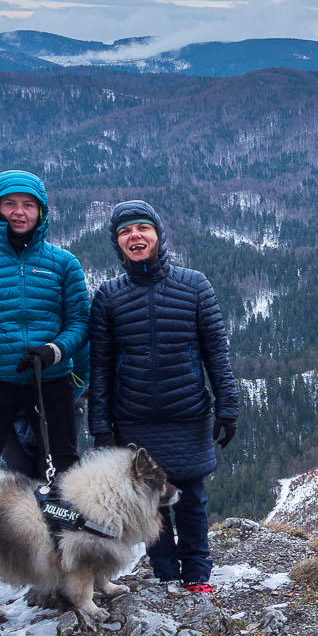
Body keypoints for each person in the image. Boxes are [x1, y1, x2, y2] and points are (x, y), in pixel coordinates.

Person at [87, 201, 239, 594]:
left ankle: (197, 576)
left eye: (142, 228)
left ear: (159, 235)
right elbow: (100, 366)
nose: (134, 236)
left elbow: (216, 353)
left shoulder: (194, 286)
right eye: (125, 232)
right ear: (117, 244)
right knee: (147, 503)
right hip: (134, 418)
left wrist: (228, 405)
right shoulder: (108, 297)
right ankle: (166, 574)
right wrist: (100, 425)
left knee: (190, 500)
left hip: (187, 413)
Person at [0, 170, 89, 478]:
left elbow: (80, 324)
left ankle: (52, 527)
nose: (19, 213)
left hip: (50, 380)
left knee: (60, 472)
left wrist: (54, 351)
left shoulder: (64, 263)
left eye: (28, 205)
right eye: (9, 204)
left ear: (41, 211)